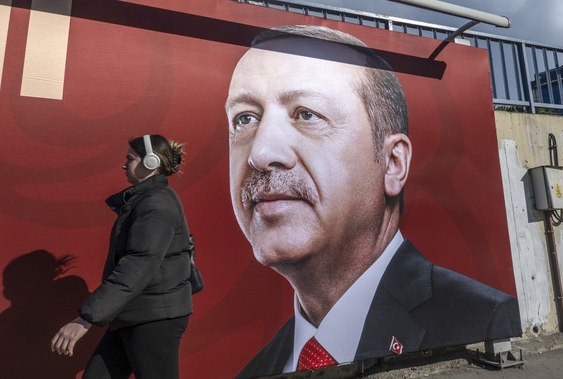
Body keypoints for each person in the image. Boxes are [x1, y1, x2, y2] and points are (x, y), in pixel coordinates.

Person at [225, 25, 522, 378]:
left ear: (393, 164)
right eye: (244, 118)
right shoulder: (257, 369)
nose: (261, 153)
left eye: (307, 114)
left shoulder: (483, 315)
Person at [51, 134, 193, 379]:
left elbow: (139, 263)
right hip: (132, 313)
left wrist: (85, 320)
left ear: (150, 162)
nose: (124, 164)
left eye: (130, 158)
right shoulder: (145, 201)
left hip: (154, 317)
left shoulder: (157, 203)